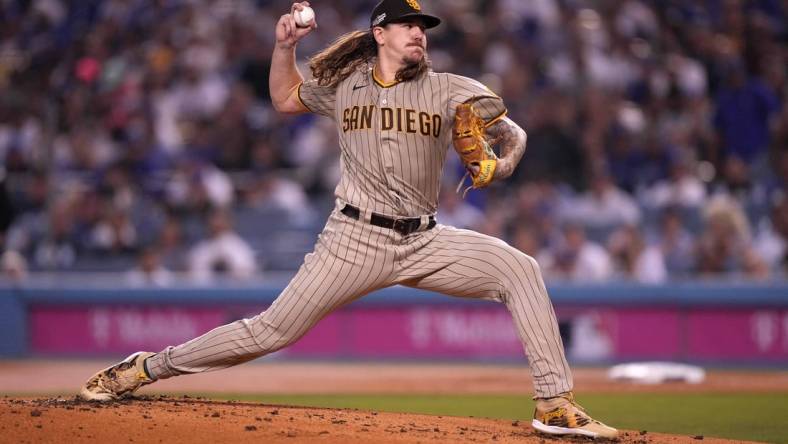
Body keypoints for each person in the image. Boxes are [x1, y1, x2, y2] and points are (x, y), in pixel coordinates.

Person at [78, 1, 617, 439]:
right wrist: (285, 46)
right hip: (353, 238)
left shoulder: (451, 88)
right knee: (270, 331)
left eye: (423, 27)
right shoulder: (346, 85)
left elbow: (513, 135)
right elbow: (285, 97)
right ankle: (146, 367)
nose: (418, 34)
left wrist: (499, 164)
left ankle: (554, 403)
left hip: (426, 238)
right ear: (379, 33)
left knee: (519, 268)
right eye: (408, 25)